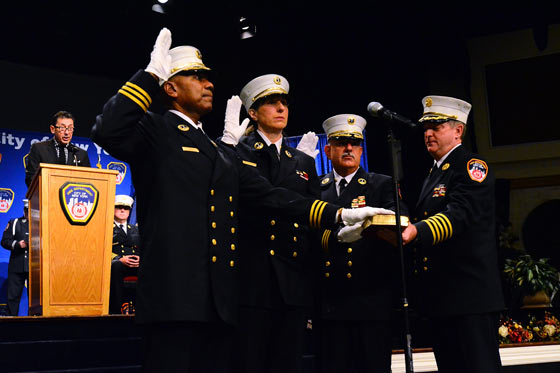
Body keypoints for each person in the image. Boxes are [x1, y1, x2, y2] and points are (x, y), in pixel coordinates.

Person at [90, 28, 376, 373]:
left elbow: (272, 197)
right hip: (174, 298)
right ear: (171, 87)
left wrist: (340, 214)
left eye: (208, 77)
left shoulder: (216, 150)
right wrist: (149, 75)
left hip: (220, 304)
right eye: (196, 77)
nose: (209, 83)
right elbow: (108, 130)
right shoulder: (156, 130)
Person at [401, 95, 504, 373]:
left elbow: (460, 215)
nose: (428, 133)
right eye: (426, 127)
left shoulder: (472, 167)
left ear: (458, 130)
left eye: (437, 126)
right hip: (442, 297)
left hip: (469, 296)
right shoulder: (434, 173)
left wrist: (416, 231)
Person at [231, 74, 321, 373]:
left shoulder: (303, 161)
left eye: (283, 102)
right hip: (252, 278)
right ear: (253, 114)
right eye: (271, 103)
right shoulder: (238, 152)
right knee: (250, 361)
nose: (281, 108)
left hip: (293, 278)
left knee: (288, 362)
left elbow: (311, 220)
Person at [317, 114, 399, 373]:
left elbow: (396, 227)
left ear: (361, 149)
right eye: (341, 142)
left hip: (370, 301)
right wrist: (337, 236)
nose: (349, 148)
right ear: (328, 150)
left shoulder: (381, 185)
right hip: (330, 303)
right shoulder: (317, 189)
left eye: (354, 143)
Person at [25, 111, 91, 186]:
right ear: (52, 129)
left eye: (70, 128)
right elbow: (31, 179)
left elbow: (88, 181)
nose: (66, 132)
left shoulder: (80, 154)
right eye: (62, 128)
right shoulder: (39, 149)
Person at [109, 194, 141, 315]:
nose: (123, 210)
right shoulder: (107, 228)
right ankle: (116, 309)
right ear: (113, 209)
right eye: (119, 207)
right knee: (116, 266)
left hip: (136, 264)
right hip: (118, 265)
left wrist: (141, 258)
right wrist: (119, 259)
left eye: (126, 208)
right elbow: (103, 250)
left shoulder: (135, 229)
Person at [1, 199, 29, 316]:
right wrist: (17, 244)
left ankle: (38, 325)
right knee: (12, 297)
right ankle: (11, 327)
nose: (29, 213)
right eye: (27, 210)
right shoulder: (14, 222)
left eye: (31, 210)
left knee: (37, 298)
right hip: (16, 266)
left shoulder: (41, 223)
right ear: (24, 210)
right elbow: (4, 241)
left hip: (35, 267)